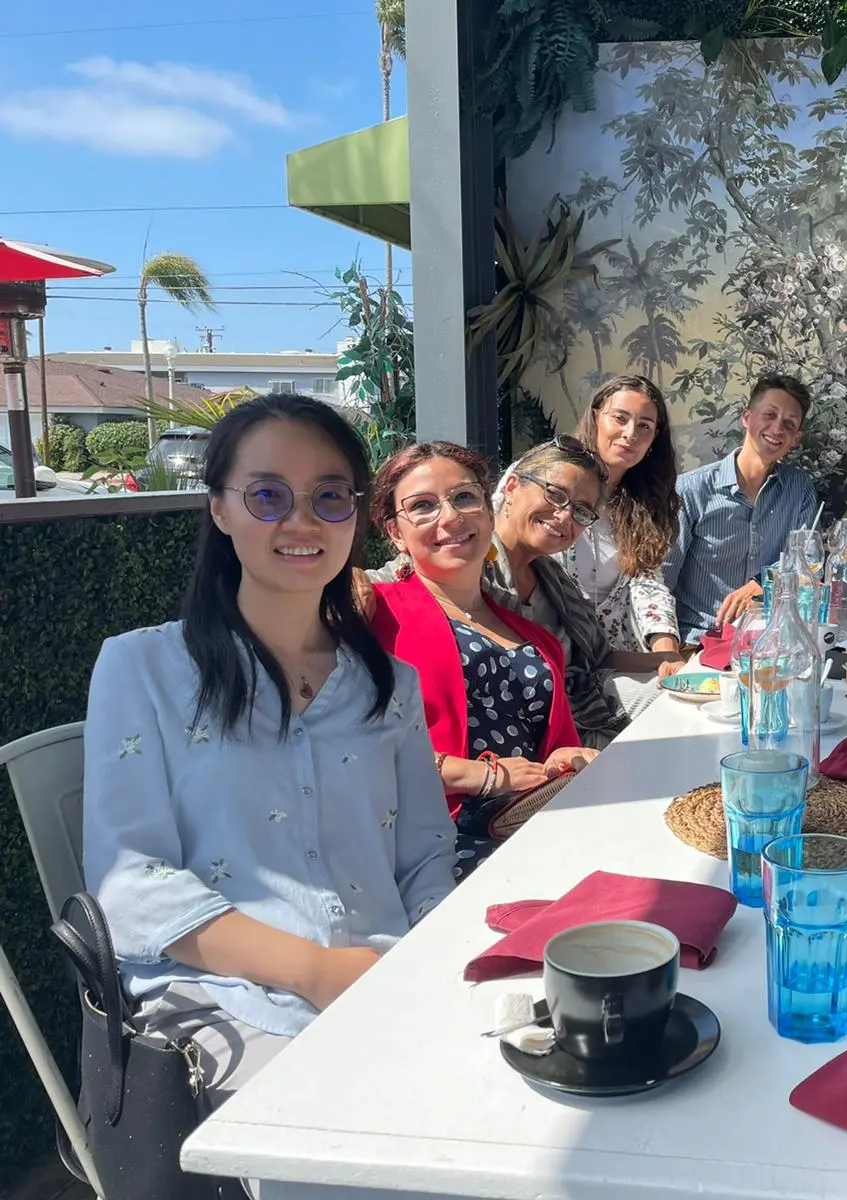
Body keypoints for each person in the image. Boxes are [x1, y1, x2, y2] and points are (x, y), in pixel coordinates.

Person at [81, 393, 456, 1145]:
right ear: (220, 509)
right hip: (222, 1006)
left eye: (328, 496)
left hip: (387, 983)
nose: (302, 521)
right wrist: (317, 972)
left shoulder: (389, 686)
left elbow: (425, 856)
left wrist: (422, 974)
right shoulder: (142, 669)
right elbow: (130, 887)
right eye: (267, 495)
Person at [367, 442, 593, 880]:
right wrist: (481, 776)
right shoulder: (374, 614)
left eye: (465, 497)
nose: (450, 517)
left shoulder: (537, 639)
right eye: (423, 506)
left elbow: (556, 749)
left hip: (536, 829)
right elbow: (348, 752)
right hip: (441, 849)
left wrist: (569, 759)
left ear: (489, 513)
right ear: (396, 534)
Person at [666, 374, 819, 642]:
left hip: (771, 643)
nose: (777, 428)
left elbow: (808, 563)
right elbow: (661, 580)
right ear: (746, 418)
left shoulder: (800, 489)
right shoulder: (690, 490)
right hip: (698, 643)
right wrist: (665, 651)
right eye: (769, 415)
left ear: (796, 437)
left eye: (789, 424)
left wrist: (761, 585)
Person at [563, 375, 685, 654]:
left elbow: (647, 582)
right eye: (620, 418)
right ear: (595, 417)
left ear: (654, 438)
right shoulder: (550, 481)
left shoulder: (645, 503)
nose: (631, 433)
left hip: (615, 658)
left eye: (644, 426)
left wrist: (666, 652)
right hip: (548, 656)